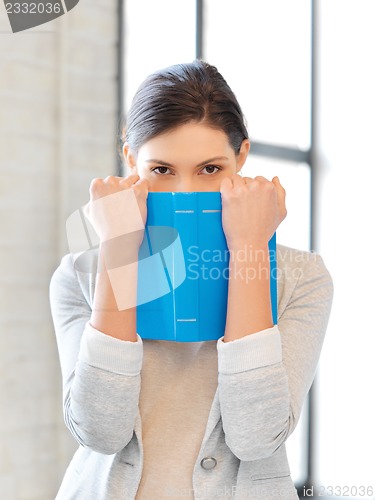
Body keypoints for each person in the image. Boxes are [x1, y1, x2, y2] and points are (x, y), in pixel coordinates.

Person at [50, 60, 333, 499]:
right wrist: (119, 248)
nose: (185, 194)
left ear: (241, 158)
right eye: (161, 170)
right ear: (130, 159)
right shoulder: (80, 276)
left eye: (210, 169)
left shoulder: (301, 278)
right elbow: (99, 431)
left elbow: (256, 436)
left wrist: (250, 247)